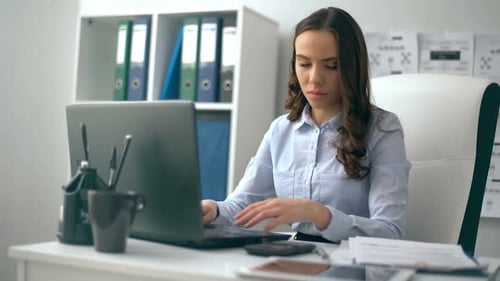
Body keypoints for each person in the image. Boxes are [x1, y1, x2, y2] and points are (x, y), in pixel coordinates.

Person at [201, 6, 410, 243]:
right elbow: (241, 204)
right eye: (304, 64)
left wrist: (320, 215)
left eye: (331, 65)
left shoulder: (383, 130)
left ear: (352, 68)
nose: (314, 79)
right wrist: (214, 210)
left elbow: (390, 231)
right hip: (296, 258)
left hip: (355, 263)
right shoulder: (280, 130)